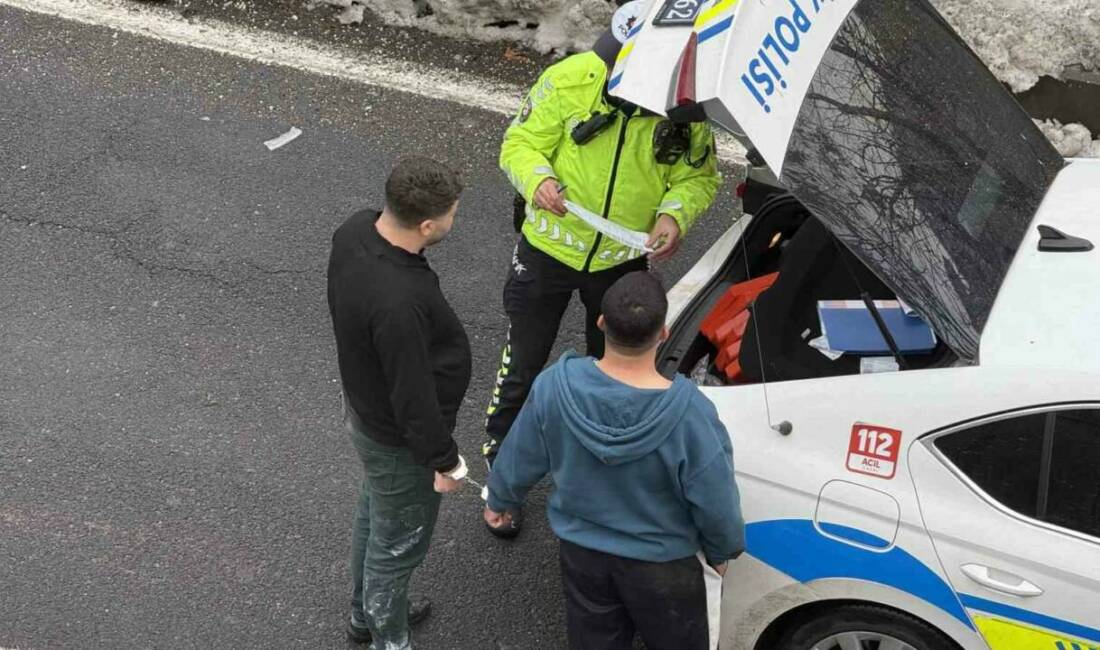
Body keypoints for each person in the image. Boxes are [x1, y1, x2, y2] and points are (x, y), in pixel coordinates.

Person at [484, 1, 721, 536]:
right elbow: (519, 142)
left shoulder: (685, 108)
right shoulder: (570, 78)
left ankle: (598, 472)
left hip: (618, 262)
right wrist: (537, 178)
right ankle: (501, 475)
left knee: (616, 374)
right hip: (546, 251)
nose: (612, 74)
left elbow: (698, 179)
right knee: (522, 365)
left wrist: (673, 215)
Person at [484, 272, 745, 650]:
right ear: (663, 334)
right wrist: (722, 552)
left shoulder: (554, 387)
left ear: (601, 322)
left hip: (584, 557)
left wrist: (500, 501)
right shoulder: (691, 415)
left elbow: (519, 455)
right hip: (666, 566)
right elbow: (716, 500)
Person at [327, 156, 472, 649]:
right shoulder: (400, 301)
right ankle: (389, 637)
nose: (455, 220)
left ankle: (365, 614)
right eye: (453, 213)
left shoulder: (355, 231)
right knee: (398, 545)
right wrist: (444, 460)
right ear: (428, 224)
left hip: (368, 417)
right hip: (398, 441)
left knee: (376, 515)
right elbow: (412, 396)